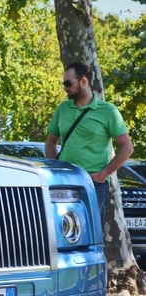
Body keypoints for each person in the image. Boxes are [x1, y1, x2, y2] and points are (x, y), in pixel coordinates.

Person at [45, 61, 133, 224]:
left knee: (90, 234)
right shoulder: (63, 108)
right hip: (63, 181)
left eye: (68, 83)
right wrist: (54, 169)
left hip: (93, 184)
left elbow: (127, 147)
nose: (65, 87)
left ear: (84, 81)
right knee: (61, 231)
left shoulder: (108, 111)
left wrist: (102, 175)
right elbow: (51, 141)